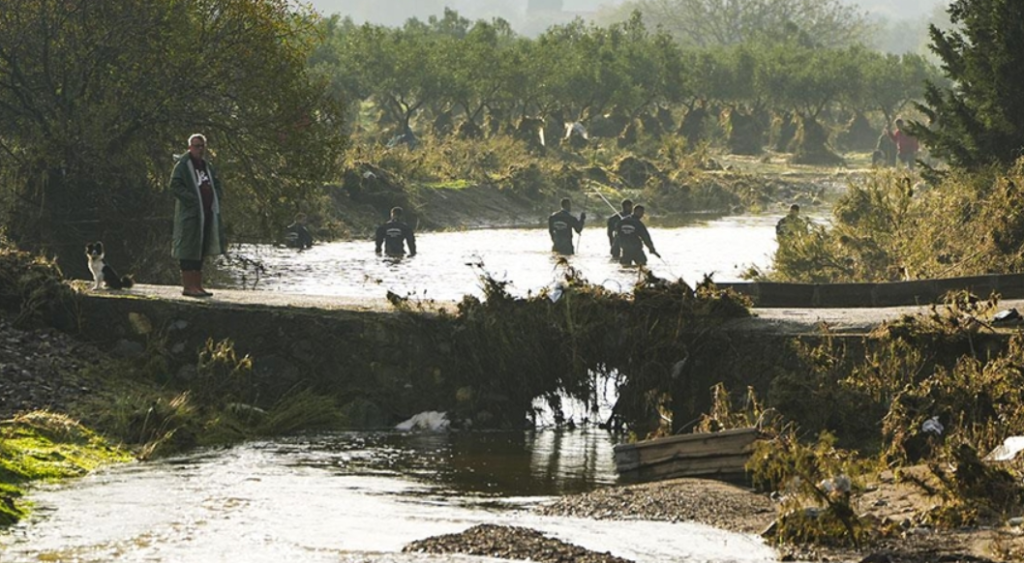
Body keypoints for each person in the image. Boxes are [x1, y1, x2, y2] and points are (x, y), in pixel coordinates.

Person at [170, 133, 225, 298]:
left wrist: (216, 196)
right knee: (188, 249)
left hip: (206, 214)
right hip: (190, 216)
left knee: (201, 249)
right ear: (189, 147)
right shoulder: (183, 165)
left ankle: (198, 286)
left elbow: (215, 183)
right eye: (196, 146)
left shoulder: (206, 166)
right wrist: (193, 200)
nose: (199, 149)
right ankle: (188, 286)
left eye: (202, 146)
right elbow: (175, 185)